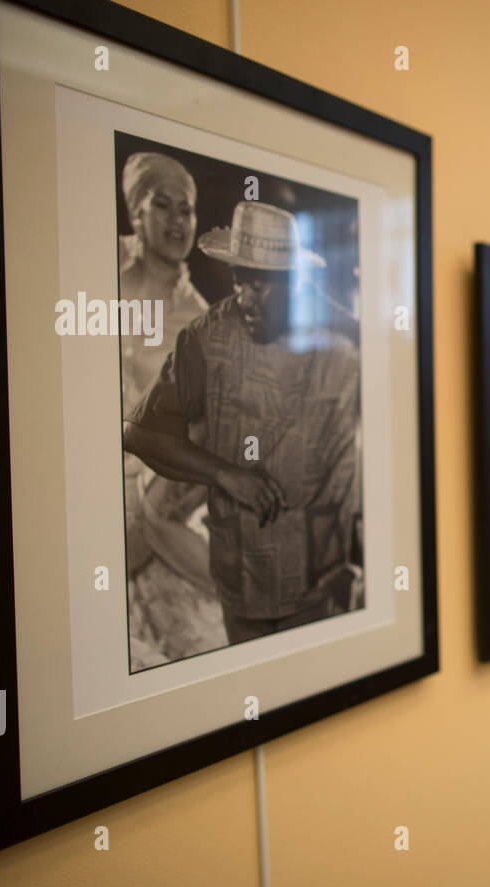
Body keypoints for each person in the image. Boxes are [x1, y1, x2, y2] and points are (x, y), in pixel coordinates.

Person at [123, 200, 363, 645]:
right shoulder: (209, 337)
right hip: (245, 593)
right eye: (240, 281)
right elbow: (138, 432)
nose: (246, 298)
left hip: (325, 593)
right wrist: (224, 474)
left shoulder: (342, 342)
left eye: (262, 285)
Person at [116, 151, 223, 667]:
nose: (178, 221)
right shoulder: (95, 273)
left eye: (187, 209)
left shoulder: (198, 320)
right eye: (164, 206)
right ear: (136, 209)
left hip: (148, 497)